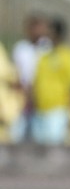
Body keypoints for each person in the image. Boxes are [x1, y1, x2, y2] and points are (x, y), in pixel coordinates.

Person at [31, 16, 70, 146]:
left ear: (57, 33)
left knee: (53, 153)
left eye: (50, 31)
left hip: (57, 112)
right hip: (39, 111)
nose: (47, 34)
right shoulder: (44, 55)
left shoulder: (69, 56)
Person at [10, 13, 50, 142]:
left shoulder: (48, 48)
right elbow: (15, 71)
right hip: (22, 98)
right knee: (16, 136)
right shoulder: (20, 48)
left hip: (42, 100)